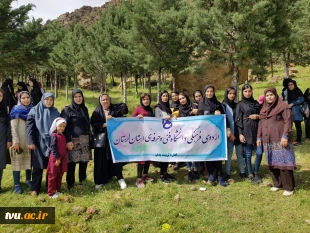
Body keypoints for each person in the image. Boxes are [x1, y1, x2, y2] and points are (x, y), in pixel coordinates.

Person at [257, 88, 296, 196]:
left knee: (284, 163)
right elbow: (260, 124)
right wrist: (258, 137)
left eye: (271, 95)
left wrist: (285, 136)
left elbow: (288, 121)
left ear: (275, 95)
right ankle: (277, 184)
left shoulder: (283, 106)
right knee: (272, 162)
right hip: (267, 140)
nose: (269, 97)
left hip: (280, 139)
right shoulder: (263, 108)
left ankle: (289, 187)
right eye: (267, 95)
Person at [90, 93, 128, 190]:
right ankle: (99, 180)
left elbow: (123, 113)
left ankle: (120, 178)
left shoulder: (115, 109)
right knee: (100, 160)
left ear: (110, 100)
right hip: (102, 140)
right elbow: (94, 124)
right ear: (100, 101)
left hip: (115, 139)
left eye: (107, 99)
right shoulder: (97, 111)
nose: (105, 101)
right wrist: (105, 124)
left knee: (116, 158)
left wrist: (113, 117)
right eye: (103, 100)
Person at [27, 93, 60, 196]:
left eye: (51, 99)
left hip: (52, 143)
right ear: (42, 100)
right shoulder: (35, 110)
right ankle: (35, 188)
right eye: (47, 99)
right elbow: (29, 128)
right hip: (38, 142)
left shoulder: (55, 112)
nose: (49, 101)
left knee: (51, 166)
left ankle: (49, 187)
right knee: (38, 166)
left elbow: (60, 127)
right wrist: (31, 141)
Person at [198, 84, 230, 187]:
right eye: (207, 91)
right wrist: (213, 115)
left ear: (214, 92)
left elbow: (225, 119)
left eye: (211, 91)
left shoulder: (218, 104)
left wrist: (220, 116)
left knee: (217, 153)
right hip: (206, 134)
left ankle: (219, 175)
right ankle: (211, 174)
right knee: (209, 154)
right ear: (205, 92)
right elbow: (199, 119)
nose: (209, 93)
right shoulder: (201, 105)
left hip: (217, 134)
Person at [61, 89, 91, 189]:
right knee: (72, 163)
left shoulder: (85, 109)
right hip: (73, 140)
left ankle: (82, 180)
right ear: (72, 98)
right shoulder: (67, 110)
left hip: (84, 139)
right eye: (76, 97)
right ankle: (70, 183)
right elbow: (64, 127)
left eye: (80, 96)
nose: (78, 99)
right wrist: (68, 140)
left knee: (84, 162)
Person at [235, 84, 263, 184]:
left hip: (257, 131)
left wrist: (258, 116)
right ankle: (250, 173)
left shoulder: (256, 103)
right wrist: (240, 134)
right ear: (242, 92)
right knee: (248, 153)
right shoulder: (240, 104)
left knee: (259, 152)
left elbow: (262, 115)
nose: (247, 93)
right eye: (245, 91)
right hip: (246, 131)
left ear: (252, 91)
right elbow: (238, 120)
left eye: (249, 91)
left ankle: (256, 171)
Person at [10, 91, 32, 194]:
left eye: (28, 97)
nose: (26, 99)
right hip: (18, 140)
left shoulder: (33, 109)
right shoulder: (16, 110)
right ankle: (17, 184)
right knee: (17, 162)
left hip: (29, 140)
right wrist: (15, 141)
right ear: (19, 99)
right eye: (23, 98)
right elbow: (13, 127)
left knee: (29, 162)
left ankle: (28, 180)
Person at [222, 87, 246, 180]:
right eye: (230, 93)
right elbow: (224, 120)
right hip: (228, 133)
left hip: (238, 132)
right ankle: (227, 173)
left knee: (239, 153)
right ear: (227, 94)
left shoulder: (237, 105)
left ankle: (242, 171)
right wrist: (229, 133)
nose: (232, 95)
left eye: (233, 94)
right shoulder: (223, 105)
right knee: (229, 154)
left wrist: (240, 133)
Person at [132, 93, 155, 188]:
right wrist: (137, 118)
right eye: (144, 99)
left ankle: (145, 175)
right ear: (141, 100)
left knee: (148, 157)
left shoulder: (151, 110)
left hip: (149, 137)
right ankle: (138, 179)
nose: (146, 101)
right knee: (141, 158)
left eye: (147, 99)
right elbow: (130, 121)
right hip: (140, 138)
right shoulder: (138, 109)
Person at [154, 90, 175, 183]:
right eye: (163, 96)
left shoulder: (168, 108)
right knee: (163, 156)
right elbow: (156, 121)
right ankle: (162, 175)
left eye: (167, 96)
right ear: (160, 97)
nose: (165, 98)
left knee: (167, 155)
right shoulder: (158, 108)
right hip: (161, 136)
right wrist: (164, 118)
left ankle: (166, 172)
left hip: (169, 136)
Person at [178, 92, 199, 181]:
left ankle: (196, 170)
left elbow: (201, 117)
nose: (182, 100)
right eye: (180, 99)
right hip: (185, 135)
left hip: (195, 133)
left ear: (186, 98)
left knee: (196, 152)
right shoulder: (180, 109)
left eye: (183, 98)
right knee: (187, 152)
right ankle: (189, 171)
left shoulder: (194, 106)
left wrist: (197, 112)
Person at [47, 117, 68, 199]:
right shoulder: (54, 135)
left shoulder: (63, 135)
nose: (62, 128)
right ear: (56, 126)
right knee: (53, 175)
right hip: (55, 159)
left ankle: (58, 190)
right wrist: (57, 158)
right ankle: (51, 193)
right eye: (60, 126)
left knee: (60, 174)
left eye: (63, 126)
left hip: (62, 158)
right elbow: (53, 147)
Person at [0, 89, 12, 192]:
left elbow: (9, 125)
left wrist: (9, 140)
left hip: (2, 140)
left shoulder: (6, 108)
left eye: (0, 96)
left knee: (0, 163)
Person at [286, 80, 304, 146]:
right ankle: (289, 140)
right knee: (288, 126)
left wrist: (293, 103)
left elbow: (301, 99)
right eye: (289, 85)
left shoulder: (298, 91)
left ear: (295, 85)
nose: (290, 86)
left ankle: (299, 140)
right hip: (289, 111)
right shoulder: (287, 92)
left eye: (291, 84)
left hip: (296, 112)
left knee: (298, 126)